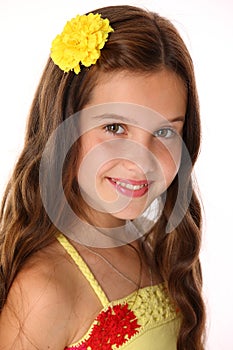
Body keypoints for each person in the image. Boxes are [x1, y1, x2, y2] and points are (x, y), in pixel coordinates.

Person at [0, 5, 206, 350]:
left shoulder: (156, 249)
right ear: (64, 129)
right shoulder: (46, 288)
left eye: (166, 132)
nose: (141, 161)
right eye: (115, 127)